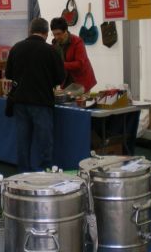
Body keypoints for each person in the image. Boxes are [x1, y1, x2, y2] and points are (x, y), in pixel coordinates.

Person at [5, 18, 65, 173]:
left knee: (23, 141)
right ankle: (45, 172)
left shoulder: (16, 48)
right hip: (41, 102)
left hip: (20, 101)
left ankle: (23, 173)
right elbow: (60, 78)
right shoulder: (51, 50)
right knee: (44, 141)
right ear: (46, 33)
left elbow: (9, 74)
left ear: (30, 31)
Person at [50, 17, 97, 92]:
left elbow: (79, 64)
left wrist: (60, 65)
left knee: (78, 103)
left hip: (81, 82)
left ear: (65, 31)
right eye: (54, 34)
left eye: (59, 34)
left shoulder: (78, 42)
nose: (56, 37)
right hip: (66, 82)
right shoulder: (55, 44)